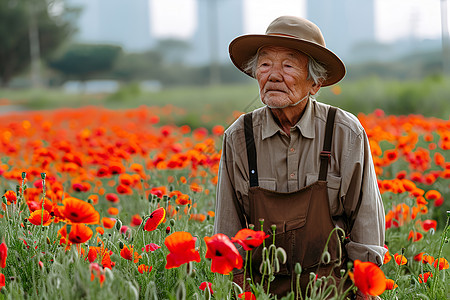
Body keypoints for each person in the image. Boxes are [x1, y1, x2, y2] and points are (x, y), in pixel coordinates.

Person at [214, 16, 386, 298]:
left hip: (332, 290)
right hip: (262, 291)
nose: (273, 75)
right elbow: (228, 231)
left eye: (289, 65)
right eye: (265, 64)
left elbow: (366, 221)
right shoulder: (239, 137)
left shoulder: (344, 132)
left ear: (315, 84)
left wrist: (364, 291)